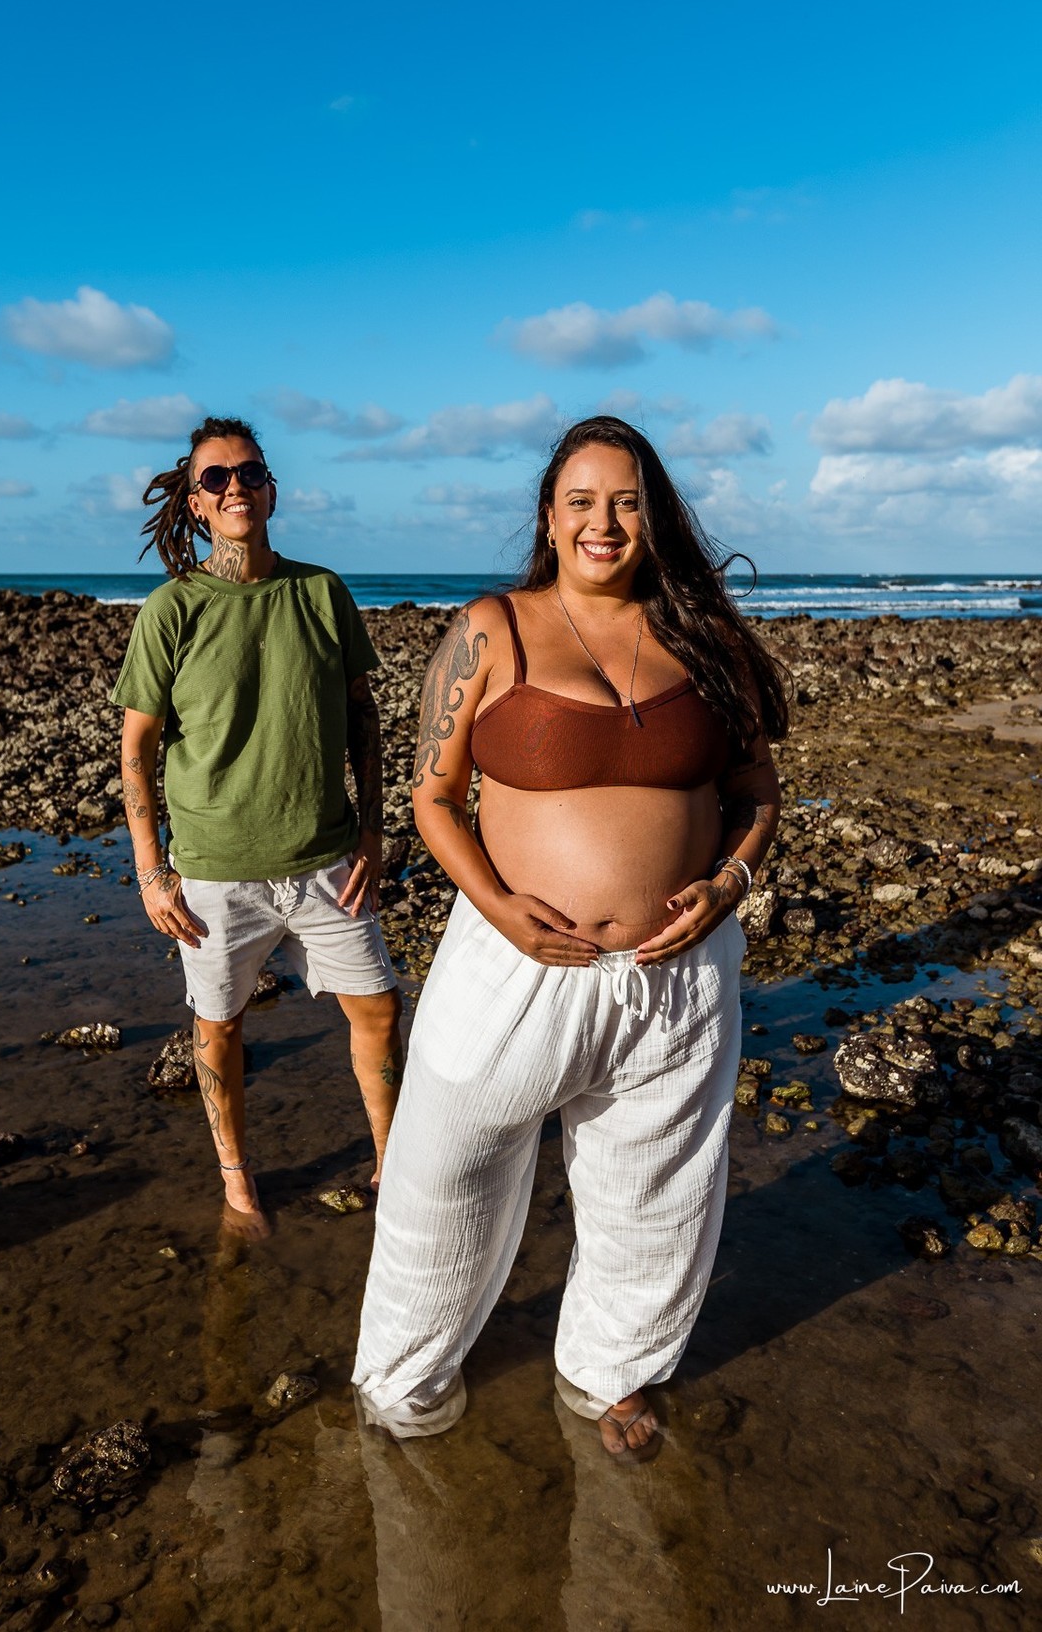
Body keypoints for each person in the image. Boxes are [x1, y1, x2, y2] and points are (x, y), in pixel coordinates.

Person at [352, 415, 787, 1454]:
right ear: (549, 518)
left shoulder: (707, 638)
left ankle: (612, 1378)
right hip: (512, 972)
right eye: (583, 501)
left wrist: (728, 884)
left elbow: (759, 791)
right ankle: (407, 1389)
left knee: (659, 1188)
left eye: (627, 500)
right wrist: (497, 908)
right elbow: (432, 798)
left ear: (655, 516)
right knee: (440, 1170)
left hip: (675, 977)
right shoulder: (491, 629)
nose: (605, 521)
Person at [111, 416, 403, 1240]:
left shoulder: (322, 592)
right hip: (213, 873)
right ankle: (237, 1180)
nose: (234, 485)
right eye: (215, 478)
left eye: (249, 472)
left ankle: (390, 1159)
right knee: (219, 1027)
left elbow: (362, 717)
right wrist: (150, 869)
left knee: (379, 1011)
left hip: (327, 860)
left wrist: (374, 836)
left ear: (271, 489)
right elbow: (135, 744)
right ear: (197, 502)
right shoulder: (172, 610)